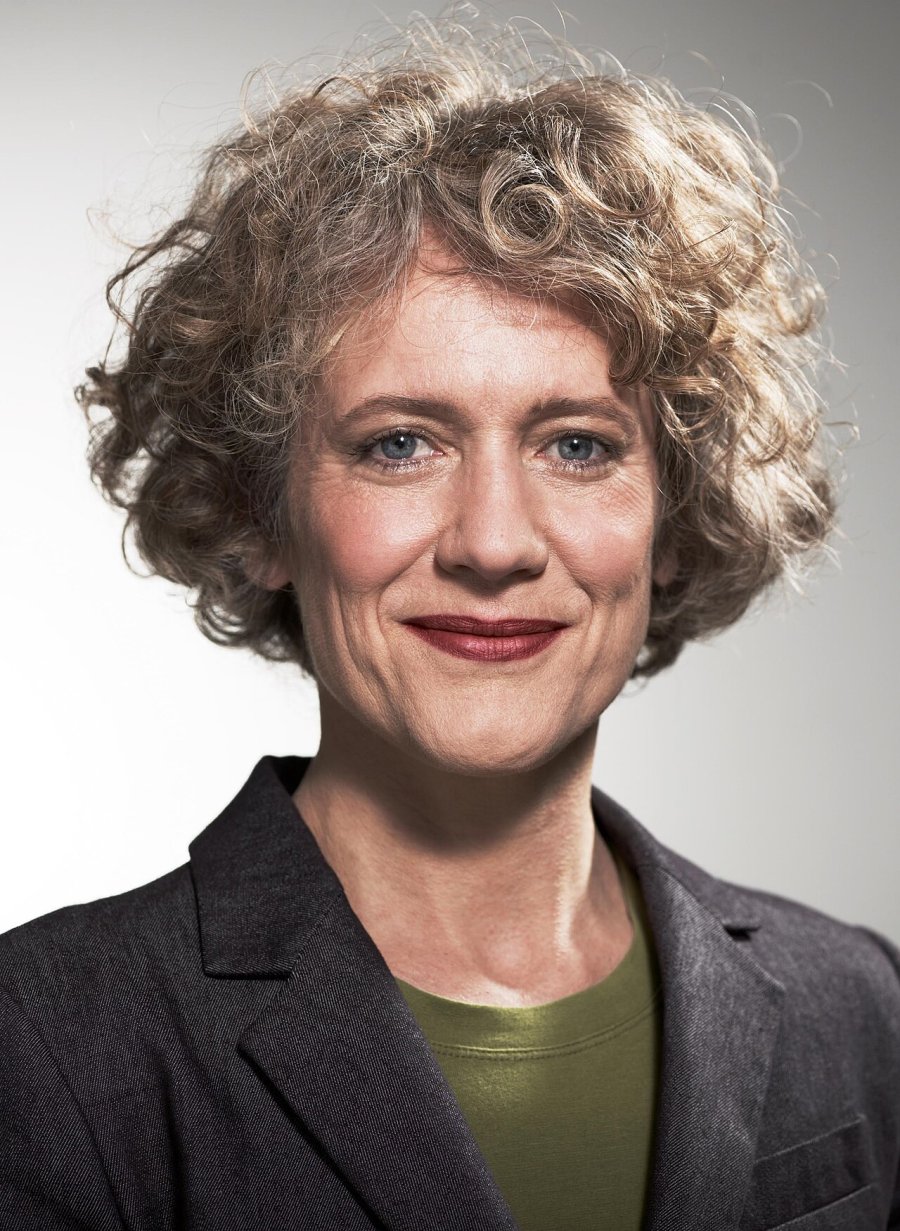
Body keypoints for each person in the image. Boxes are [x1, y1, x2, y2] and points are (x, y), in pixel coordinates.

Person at [1, 13, 898, 1230]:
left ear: (675, 515)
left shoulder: (859, 1006)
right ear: (261, 511)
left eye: (577, 445)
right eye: (399, 444)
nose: (492, 541)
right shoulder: (44, 1045)